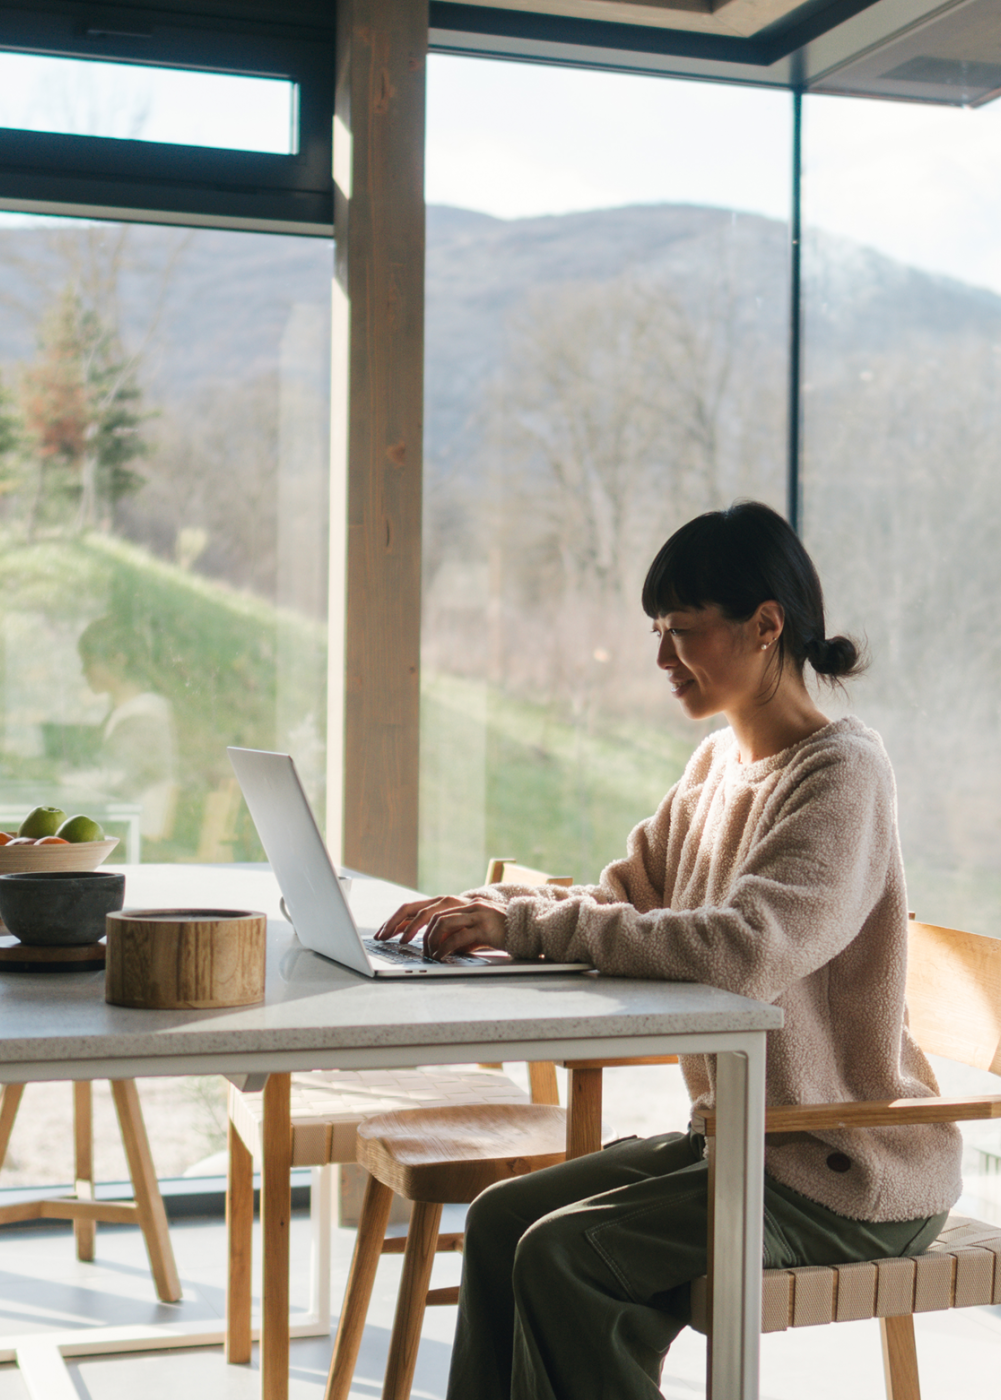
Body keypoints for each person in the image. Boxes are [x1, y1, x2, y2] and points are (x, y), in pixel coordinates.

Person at [375, 501, 961, 1400]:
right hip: (741, 1142)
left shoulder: (842, 774)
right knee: (500, 1221)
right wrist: (494, 908)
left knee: (565, 1258)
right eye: (657, 631)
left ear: (766, 626)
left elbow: (742, 950)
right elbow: (621, 900)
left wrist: (523, 928)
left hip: (841, 1170)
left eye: (682, 631)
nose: (660, 660)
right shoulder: (717, 767)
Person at [74, 615, 179, 843]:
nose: (84, 672)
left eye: (89, 661)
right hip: (123, 828)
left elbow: (113, 777)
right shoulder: (124, 711)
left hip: (140, 838)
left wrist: (57, 778)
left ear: (118, 659)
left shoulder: (145, 714)